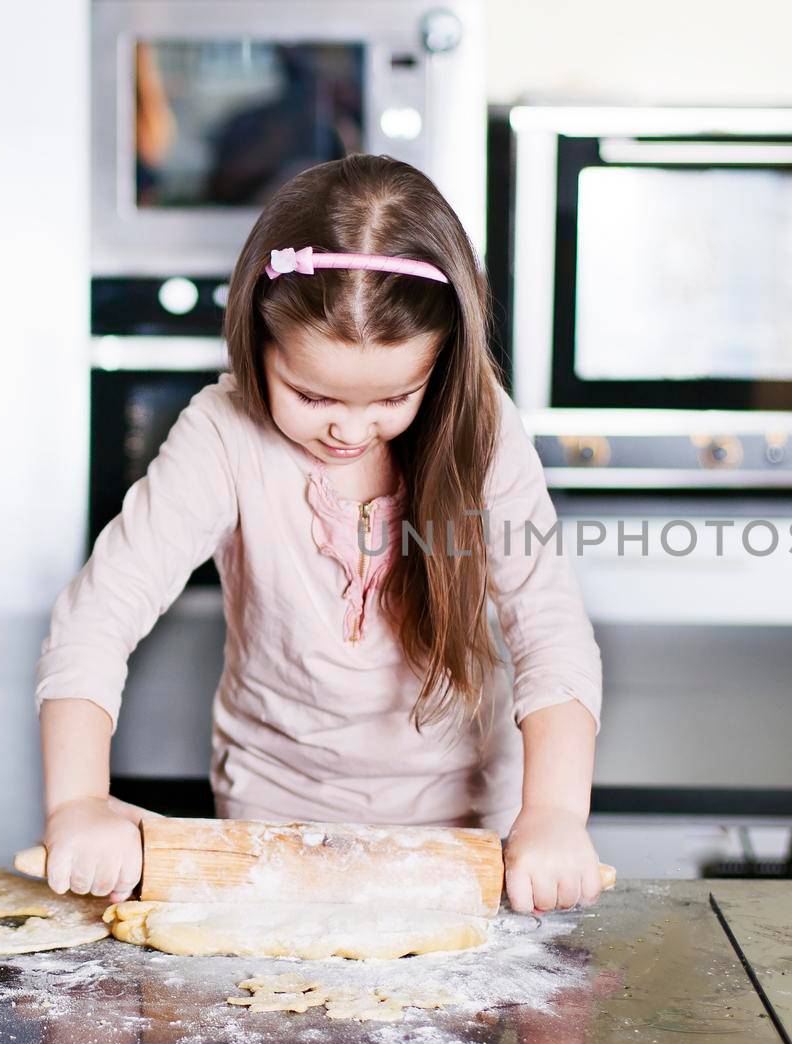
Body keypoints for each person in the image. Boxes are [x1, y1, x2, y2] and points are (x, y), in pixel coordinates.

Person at [36, 155, 604, 915]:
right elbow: (98, 615)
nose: (349, 427)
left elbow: (551, 629)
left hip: (469, 827)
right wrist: (77, 801)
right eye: (312, 394)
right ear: (258, 338)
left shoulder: (482, 429)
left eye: (393, 397)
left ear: (439, 368)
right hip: (275, 826)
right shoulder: (222, 435)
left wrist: (556, 814)